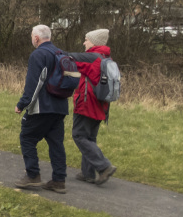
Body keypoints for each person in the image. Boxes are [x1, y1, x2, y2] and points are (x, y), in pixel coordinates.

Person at [14, 24, 69, 194]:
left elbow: (34, 83)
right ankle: (59, 180)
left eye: (32, 36)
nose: (32, 38)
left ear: (36, 38)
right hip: (60, 106)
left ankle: (33, 175)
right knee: (56, 143)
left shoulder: (38, 54)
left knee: (27, 137)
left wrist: (22, 104)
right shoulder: (61, 53)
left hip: (41, 106)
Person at [68, 29, 118, 185]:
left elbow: (69, 57)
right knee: (89, 138)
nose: (84, 42)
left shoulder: (92, 57)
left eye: (86, 40)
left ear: (94, 42)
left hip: (86, 105)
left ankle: (104, 167)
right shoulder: (105, 58)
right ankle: (88, 173)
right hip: (100, 106)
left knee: (79, 136)